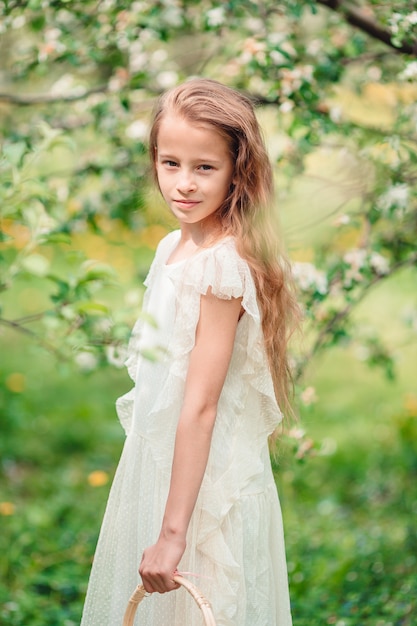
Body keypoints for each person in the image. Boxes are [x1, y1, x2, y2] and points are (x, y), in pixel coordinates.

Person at [80, 78, 300, 626]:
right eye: (170, 162)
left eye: (205, 167)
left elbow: (200, 406)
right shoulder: (172, 247)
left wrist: (173, 533)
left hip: (206, 493)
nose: (183, 184)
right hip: (165, 473)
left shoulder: (220, 268)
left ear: (237, 171)